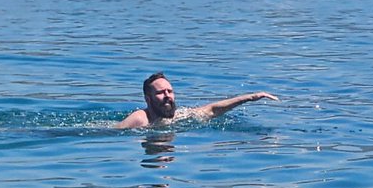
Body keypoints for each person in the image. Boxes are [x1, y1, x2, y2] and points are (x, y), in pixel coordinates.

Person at [116, 72, 278, 129]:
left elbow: (213, 109)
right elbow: (113, 132)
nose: (167, 95)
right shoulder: (140, 119)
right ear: (148, 99)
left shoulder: (180, 116)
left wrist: (250, 97)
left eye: (170, 91)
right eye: (160, 92)